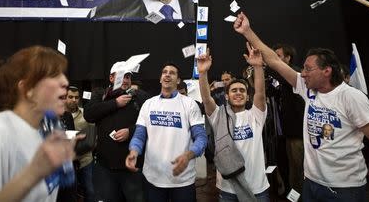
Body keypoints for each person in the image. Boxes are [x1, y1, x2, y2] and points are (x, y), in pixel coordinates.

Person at [234, 12, 369, 201]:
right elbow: (272, 60)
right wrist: (247, 32)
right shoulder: (308, 88)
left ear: (327, 71)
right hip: (312, 184)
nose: (302, 74)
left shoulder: (351, 97)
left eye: (308, 69)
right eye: (303, 68)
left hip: (346, 189)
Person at [0, 46, 78, 201]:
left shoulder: (38, 132)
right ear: (27, 89)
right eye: (54, 75)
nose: (65, 82)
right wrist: (32, 175)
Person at [197, 44, 270, 202]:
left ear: (248, 96)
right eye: (234, 90)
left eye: (242, 90)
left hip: (257, 187)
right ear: (226, 96)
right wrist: (202, 73)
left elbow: (261, 93)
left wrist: (257, 67)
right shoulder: (218, 116)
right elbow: (206, 99)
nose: (238, 93)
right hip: (228, 187)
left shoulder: (255, 116)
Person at [126, 63, 207, 202]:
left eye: (172, 72)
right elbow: (139, 135)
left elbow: (201, 137)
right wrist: (134, 151)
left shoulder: (189, 104)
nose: (167, 74)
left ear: (178, 80)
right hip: (153, 177)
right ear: (160, 79)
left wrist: (189, 155)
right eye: (164, 72)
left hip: (182, 180)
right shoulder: (149, 104)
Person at [84, 61, 148, 202]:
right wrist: (115, 103)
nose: (125, 80)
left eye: (128, 77)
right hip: (105, 168)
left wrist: (130, 132)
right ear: (111, 78)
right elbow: (88, 115)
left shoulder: (139, 97)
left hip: (132, 168)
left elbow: (149, 124)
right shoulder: (100, 95)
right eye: (122, 76)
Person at [272, 43, 305, 195]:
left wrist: (265, 64)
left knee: (299, 170)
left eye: (278, 56)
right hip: (289, 133)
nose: (274, 58)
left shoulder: (296, 73)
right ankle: (294, 196)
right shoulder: (282, 78)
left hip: (299, 134)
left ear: (288, 57)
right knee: (292, 169)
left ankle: (301, 197)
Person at [65, 85, 95, 202]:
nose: (73, 100)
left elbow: (93, 133)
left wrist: (92, 144)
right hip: (67, 161)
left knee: (90, 191)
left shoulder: (86, 113)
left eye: (76, 97)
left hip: (85, 159)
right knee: (70, 193)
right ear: (64, 97)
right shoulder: (59, 114)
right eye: (70, 97)